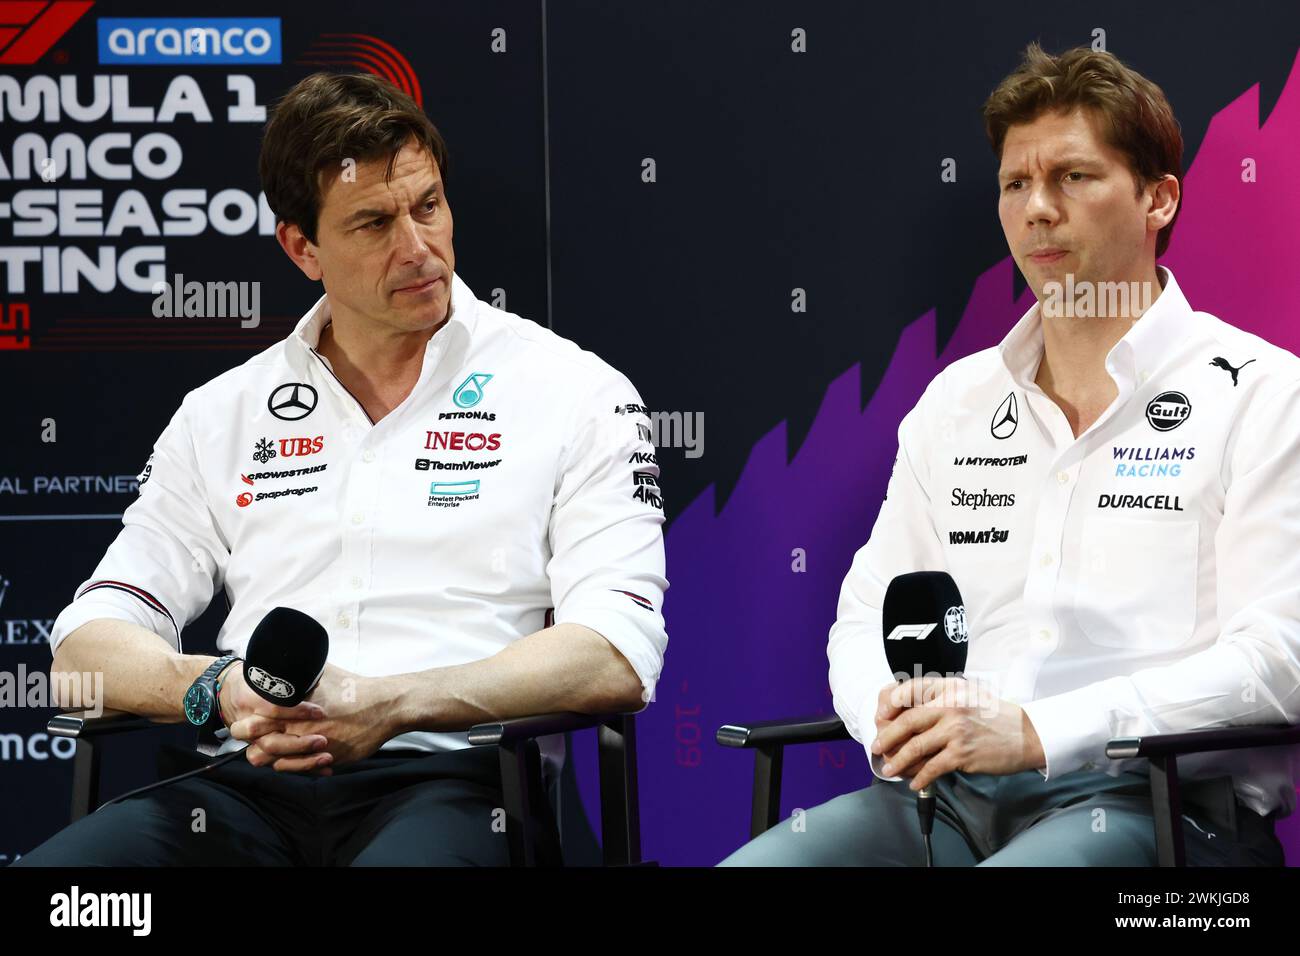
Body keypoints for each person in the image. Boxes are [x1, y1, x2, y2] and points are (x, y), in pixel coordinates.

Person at [18, 72, 668, 867]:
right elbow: (83, 650)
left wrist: (388, 705)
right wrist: (214, 687)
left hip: (458, 783)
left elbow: (616, 653)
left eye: (427, 206)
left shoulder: (576, 393)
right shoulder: (223, 413)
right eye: (373, 223)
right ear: (303, 248)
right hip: (237, 787)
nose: (418, 247)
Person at [720, 42, 1300, 866]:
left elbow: (1280, 661)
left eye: (1073, 177)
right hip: (941, 804)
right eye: (1015, 184)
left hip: (1159, 810)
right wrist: (894, 715)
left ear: (1159, 199)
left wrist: (1036, 731)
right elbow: (862, 617)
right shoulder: (957, 402)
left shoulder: (1265, 395)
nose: (1037, 209)